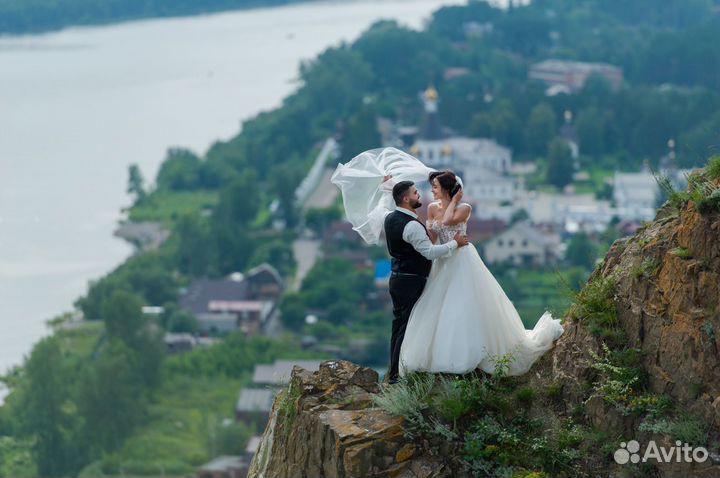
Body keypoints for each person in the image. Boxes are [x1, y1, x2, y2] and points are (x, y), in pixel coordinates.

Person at [330, 147, 563, 379]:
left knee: (464, 304)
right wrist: (437, 235)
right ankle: (427, 360)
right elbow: (432, 241)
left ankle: (470, 353)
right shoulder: (429, 210)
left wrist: (454, 202)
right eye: (423, 190)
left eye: (435, 187)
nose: (428, 191)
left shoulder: (464, 208)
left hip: (461, 258)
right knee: (437, 309)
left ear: (448, 189)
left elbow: (449, 220)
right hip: (441, 259)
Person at [382, 180, 469, 383]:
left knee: (400, 325)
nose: (419, 195)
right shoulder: (411, 225)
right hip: (411, 281)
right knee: (408, 325)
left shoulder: (390, 218)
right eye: (415, 193)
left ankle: (395, 370)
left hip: (397, 278)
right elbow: (429, 253)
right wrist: (454, 244)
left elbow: (393, 203)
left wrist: (389, 186)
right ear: (406, 199)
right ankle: (397, 374)